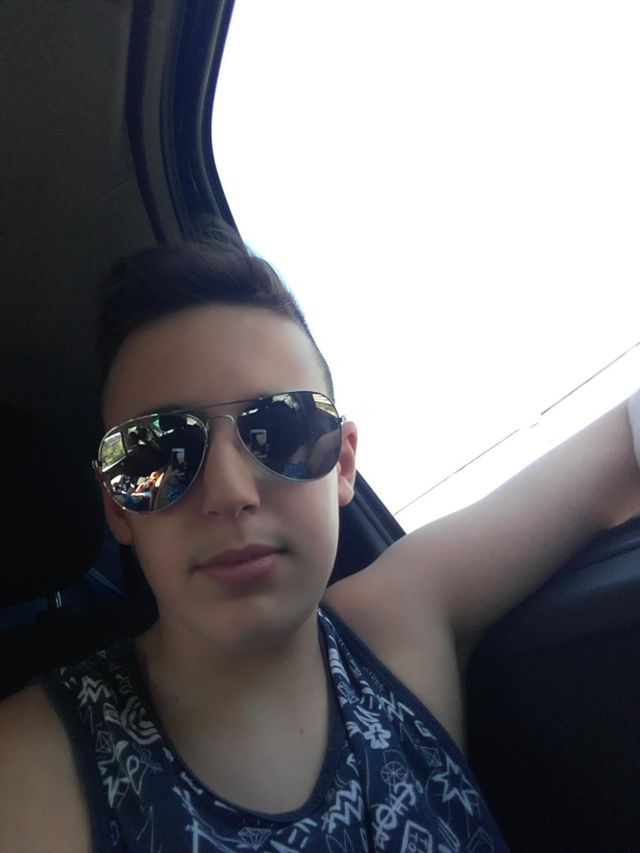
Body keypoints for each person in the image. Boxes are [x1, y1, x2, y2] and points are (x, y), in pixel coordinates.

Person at [1, 228, 639, 852]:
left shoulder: (394, 623)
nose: (229, 492)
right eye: (157, 453)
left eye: (283, 429)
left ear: (342, 464)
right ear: (116, 505)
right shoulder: (31, 766)